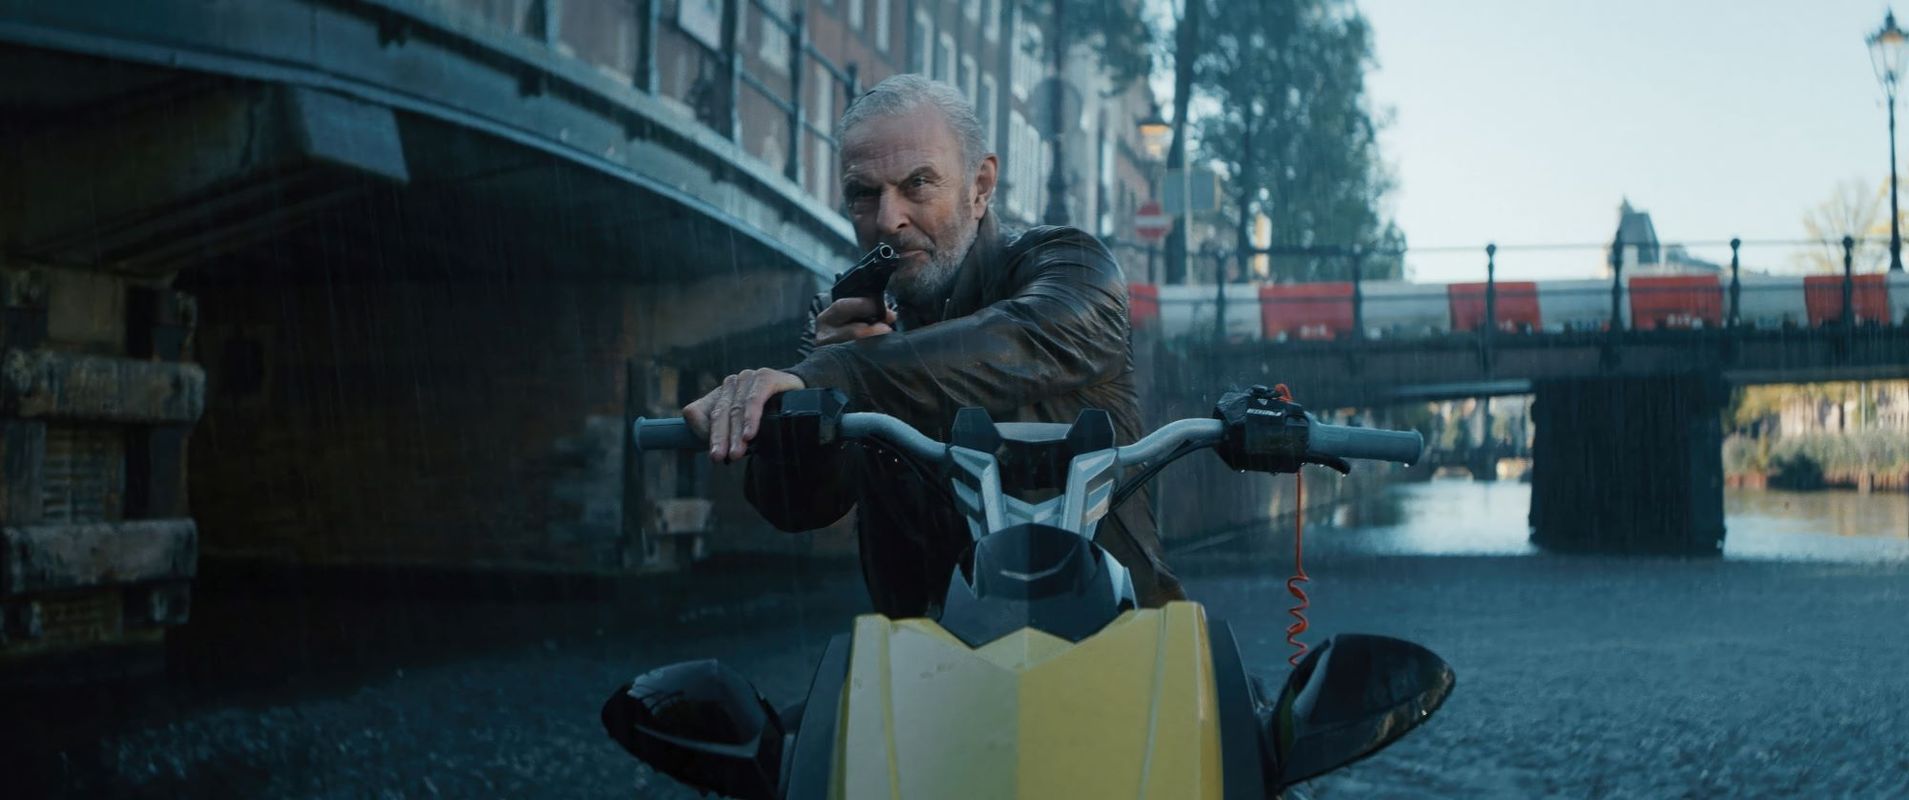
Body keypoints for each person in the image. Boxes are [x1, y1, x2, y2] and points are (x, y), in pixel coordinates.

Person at [683, 74, 1185, 618]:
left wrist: (840, 374)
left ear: (980, 186)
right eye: (863, 194)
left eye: (918, 184)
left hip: (1114, 632)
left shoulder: (1071, 268)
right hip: (925, 647)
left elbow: (1021, 340)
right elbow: (797, 507)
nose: (888, 220)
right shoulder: (842, 324)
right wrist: (813, 415)